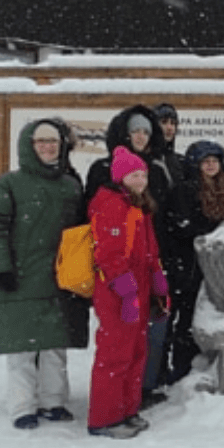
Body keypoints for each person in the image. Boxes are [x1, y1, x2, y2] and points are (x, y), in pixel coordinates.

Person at [0, 120, 87, 430]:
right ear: (29, 144)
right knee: (22, 348)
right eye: (40, 141)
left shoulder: (70, 185)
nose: (47, 147)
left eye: (52, 141)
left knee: (55, 345)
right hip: (21, 276)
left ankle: (53, 402)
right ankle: (22, 406)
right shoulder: (9, 184)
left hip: (59, 277)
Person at [83, 105, 176, 408]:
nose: (140, 136)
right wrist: (123, 285)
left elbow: (159, 228)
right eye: (135, 131)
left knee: (140, 345)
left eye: (146, 132)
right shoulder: (108, 189)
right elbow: (106, 242)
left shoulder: (153, 178)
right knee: (117, 347)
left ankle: (131, 402)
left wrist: (158, 274)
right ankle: (108, 413)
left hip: (145, 270)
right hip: (118, 277)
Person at [87, 146, 168, 439]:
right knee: (115, 354)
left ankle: (126, 409)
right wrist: (126, 291)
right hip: (116, 290)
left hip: (137, 288)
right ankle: (104, 418)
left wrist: (158, 284)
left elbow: (149, 251)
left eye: (143, 174)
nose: (140, 179)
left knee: (135, 352)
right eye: (134, 174)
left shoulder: (138, 204)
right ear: (121, 177)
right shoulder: (111, 203)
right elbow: (108, 255)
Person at [162, 140, 224, 384]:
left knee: (203, 316)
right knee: (185, 319)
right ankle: (179, 367)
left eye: (215, 160)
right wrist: (212, 232)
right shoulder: (185, 189)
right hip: (187, 265)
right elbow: (182, 226)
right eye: (206, 161)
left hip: (213, 267)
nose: (211, 165)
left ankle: (197, 364)